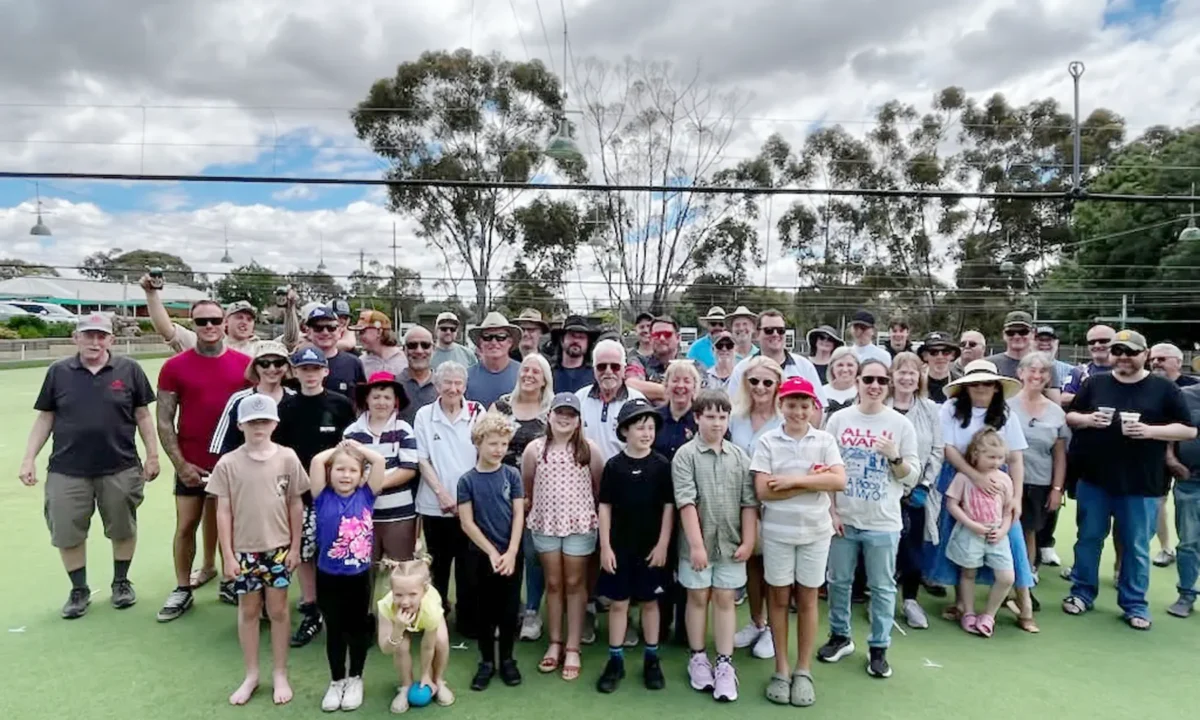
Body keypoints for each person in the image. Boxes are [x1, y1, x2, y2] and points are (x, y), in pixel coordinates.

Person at [20, 313, 159, 618]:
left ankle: (121, 582)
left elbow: (143, 415)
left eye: (101, 336)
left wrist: (152, 454)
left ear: (111, 339)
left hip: (120, 465)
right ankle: (78, 589)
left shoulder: (130, 370)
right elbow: (46, 417)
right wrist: (29, 457)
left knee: (123, 527)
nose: (95, 341)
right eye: (88, 335)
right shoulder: (58, 372)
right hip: (67, 468)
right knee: (67, 531)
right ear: (76, 338)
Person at [1063, 330, 1195, 630]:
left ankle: (1134, 604)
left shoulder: (1163, 388)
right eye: (1118, 350)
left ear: (1145, 354)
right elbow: (1071, 415)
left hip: (1141, 484)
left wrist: (1150, 431)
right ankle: (1082, 593)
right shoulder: (1095, 383)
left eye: (1130, 351)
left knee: (1135, 546)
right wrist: (1087, 420)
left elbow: (1188, 430)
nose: (1123, 356)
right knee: (1088, 540)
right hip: (1094, 480)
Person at [155, 299, 252, 622]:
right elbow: (165, 420)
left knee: (233, 527)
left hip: (234, 466)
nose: (209, 327)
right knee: (186, 526)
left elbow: (255, 417)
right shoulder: (175, 367)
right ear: (192, 325)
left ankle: (230, 579)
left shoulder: (245, 365)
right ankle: (183, 588)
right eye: (201, 322)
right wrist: (181, 465)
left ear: (225, 322)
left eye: (214, 320)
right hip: (192, 463)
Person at [207, 394, 307, 706]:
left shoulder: (288, 458)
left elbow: (295, 502)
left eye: (264, 421)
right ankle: (251, 674)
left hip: (278, 549)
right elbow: (222, 511)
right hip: (244, 551)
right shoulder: (228, 463)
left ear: (275, 423)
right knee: (248, 611)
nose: (258, 427)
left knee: (278, 611)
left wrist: (295, 546)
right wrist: (227, 554)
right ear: (240, 425)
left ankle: (280, 672)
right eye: (252, 422)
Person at [751, 377, 845, 707]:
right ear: (781, 405)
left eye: (804, 405)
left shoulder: (824, 440)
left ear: (814, 407)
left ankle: (803, 670)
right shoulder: (767, 442)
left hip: (816, 533)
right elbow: (763, 491)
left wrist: (793, 480)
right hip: (777, 533)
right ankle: (781, 668)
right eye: (791, 404)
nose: (798, 411)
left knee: (807, 599)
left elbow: (839, 480)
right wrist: (815, 482)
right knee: (777, 599)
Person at [820, 360, 918, 676]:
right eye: (868, 379)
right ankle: (840, 636)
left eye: (880, 380)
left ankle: (879, 648)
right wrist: (831, 511)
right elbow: (825, 467)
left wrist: (894, 456)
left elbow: (911, 477)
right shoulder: (838, 419)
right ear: (858, 381)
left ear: (887, 384)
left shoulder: (900, 425)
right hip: (844, 517)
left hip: (883, 521)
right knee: (838, 581)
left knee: (882, 586)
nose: (874, 385)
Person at [928, 360, 1038, 633]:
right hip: (959, 477)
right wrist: (973, 476)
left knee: (1011, 541)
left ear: (996, 387)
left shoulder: (1006, 414)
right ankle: (962, 605)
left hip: (998, 484)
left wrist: (1016, 498)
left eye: (987, 383)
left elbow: (1015, 458)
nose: (980, 388)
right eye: (974, 383)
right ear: (965, 386)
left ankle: (1024, 605)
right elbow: (947, 448)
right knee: (957, 538)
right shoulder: (951, 409)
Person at [674, 390, 757, 703]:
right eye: (710, 416)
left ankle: (724, 663)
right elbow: (686, 501)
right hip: (698, 545)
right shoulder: (686, 455)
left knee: (725, 598)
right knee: (697, 597)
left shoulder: (739, 456)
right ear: (697, 418)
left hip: (731, 544)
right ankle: (698, 657)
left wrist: (749, 540)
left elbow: (749, 502)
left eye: (722, 417)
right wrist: (696, 545)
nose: (717, 423)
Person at [273, 345, 357, 646]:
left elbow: (350, 450)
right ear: (295, 372)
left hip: (337, 494)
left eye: (315, 369)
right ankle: (311, 610)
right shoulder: (286, 409)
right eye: (303, 369)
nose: (309, 375)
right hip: (300, 495)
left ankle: (343, 612)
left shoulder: (341, 404)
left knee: (338, 551)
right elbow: (279, 454)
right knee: (305, 554)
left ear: (325, 371)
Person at [523, 393, 603, 681]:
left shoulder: (589, 449)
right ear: (549, 415)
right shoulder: (534, 449)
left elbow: (598, 488)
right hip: (545, 525)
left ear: (579, 420)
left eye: (571, 413)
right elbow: (528, 486)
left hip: (580, 526)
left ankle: (573, 646)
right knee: (553, 582)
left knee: (574, 582)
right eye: (560, 412)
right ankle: (555, 643)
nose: (564, 418)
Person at [595, 399, 673, 693]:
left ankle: (651, 658)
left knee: (650, 603)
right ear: (625, 431)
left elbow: (669, 506)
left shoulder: (661, 465)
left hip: (651, 549)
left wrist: (664, 543)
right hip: (619, 547)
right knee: (619, 604)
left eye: (651, 427)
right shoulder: (614, 466)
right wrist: (605, 547)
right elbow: (605, 507)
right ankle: (615, 660)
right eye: (640, 427)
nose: (646, 433)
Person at [308, 440, 387, 712]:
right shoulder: (322, 495)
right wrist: (339, 449)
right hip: (328, 575)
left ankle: (356, 678)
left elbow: (378, 461)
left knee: (357, 629)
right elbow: (318, 461)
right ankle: (336, 680)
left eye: (352, 470)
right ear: (330, 473)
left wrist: (354, 447)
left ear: (361, 475)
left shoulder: (366, 494)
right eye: (339, 469)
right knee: (335, 630)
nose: (345, 475)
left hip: (358, 577)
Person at [412, 361, 486, 635]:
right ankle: (435, 616)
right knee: (438, 567)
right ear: (437, 386)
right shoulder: (423, 415)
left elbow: (484, 456)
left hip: (469, 508)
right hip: (434, 506)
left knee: (469, 568)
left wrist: (466, 499)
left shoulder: (477, 411)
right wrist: (442, 494)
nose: (453, 388)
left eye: (458, 383)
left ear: (465, 386)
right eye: (448, 383)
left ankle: (468, 620)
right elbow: (422, 459)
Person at [458, 412, 526, 691]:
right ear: (478, 443)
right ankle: (486, 662)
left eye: (503, 444)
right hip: (480, 556)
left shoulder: (512, 474)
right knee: (484, 612)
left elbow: (519, 514)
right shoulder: (467, 480)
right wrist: (491, 552)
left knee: (509, 611)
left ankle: (507, 660)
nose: (498, 449)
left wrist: (510, 552)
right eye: (492, 444)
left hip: (511, 555)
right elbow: (467, 522)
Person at [492, 353, 553, 642]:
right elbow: (481, 440)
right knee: (504, 550)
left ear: (545, 379)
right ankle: (506, 608)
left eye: (536, 371)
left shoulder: (552, 409)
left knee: (531, 554)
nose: (529, 374)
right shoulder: (501, 405)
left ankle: (531, 611)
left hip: (538, 494)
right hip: (501, 493)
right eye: (525, 369)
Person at [728, 356, 784, 659]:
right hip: (743, 502)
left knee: (774, 569)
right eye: (754, 382)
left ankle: (774, 632)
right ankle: (756, 622)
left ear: (777, 385)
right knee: (751, 564)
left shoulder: (785, 418)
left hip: (776, 502)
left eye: (767, 382)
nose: (760, 387)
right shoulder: (735, 417)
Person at [888, 352, 944, 629]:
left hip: (918, 492)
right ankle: (881, 599)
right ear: (892, 375)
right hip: (884, 491)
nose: (907, 377)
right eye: (901, 372)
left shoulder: (930, 409)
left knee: (912, 549)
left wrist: (924, 484)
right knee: (884, 548)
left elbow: (937, 450)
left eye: (912, 373)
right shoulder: (880, 406)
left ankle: (910, 600)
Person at [943, 429, 1016, 638]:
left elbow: (1007, 511)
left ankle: (989, 615)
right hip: (970, 533)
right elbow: (952, 504)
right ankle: (968, 612)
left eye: (1000, 457)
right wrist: (970, 523)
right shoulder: (964, 477)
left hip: (996, 535)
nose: (996, 462)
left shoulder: (1004, 480)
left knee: (1006, 577)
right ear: (976, 454)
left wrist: (1003, 530)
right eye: (991, 457)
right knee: (968, 573)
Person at [342, 372, 420, 562]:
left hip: (399, 514)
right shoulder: (352, 432)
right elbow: (346, 469)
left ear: (396, 402)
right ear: (366, 399)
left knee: (400, 568)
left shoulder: (403, 429)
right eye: (376, 397)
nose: (381, 402)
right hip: (362, 513)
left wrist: (376, 485)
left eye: (387, 397)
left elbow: (409, 468)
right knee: (364, 569)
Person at [1008, 353, 1068, 580]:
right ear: (1020, 373)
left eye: (1043, 371)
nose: (1037, 375)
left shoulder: (1056, 411)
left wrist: (1056, 489)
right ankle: (1004, 580)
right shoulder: (1005, 406)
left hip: (1039, 482)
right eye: (1031, 369)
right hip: (1008, 481)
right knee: (1005, 531)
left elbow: (1060, 455)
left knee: (1029, 532)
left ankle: (1026, 579)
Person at [140, 272, 300, 355]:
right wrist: (151, 294)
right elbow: (167, 330)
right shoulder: (204, 344)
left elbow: (291, 340)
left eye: (249, 318)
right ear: (225, 322)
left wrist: (290, 308)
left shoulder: (263, 347)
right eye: (238, 317)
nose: (244, 321)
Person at [377, 558, 455, 712]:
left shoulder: (431, 609)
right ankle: (406, 686)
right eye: (398, 595)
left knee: (441, 640)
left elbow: (427, 647)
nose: (405, 602)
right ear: (391, 591)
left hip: (426, 618)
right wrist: (398, 629)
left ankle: (437, 680)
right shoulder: (386, 607)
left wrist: (425, 674)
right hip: (398, 624)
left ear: (425, 591)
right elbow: (386, 649)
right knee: (401, 646)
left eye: (413, 594)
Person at [728, 310, 826, 414]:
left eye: (780, 330)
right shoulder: (742, 368)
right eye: (769, 330)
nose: (775, 334)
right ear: (757, 334)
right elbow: (731, 406)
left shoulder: (804, 366)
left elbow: (818, 407)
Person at [1151, 342, 1195, 566]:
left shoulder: (1192, 387)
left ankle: (1188, 546)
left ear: (1178, 362)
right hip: (1156, 453)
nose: (1156, 363)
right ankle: (1166, 548)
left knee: (1188, 505)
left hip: (1189, 459)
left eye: (1162, 359)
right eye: (1153, 359)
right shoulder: (1148, 385)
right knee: (1158, 502)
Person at [211, 341, 295, 458]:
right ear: (255, 366)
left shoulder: (297, 398)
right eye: (264, 363)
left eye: (278, 363)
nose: (272, 369)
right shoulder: (239, 400)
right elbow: (222, 445)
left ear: (287, 366)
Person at [577, 339, 647, 462]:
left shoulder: (637, 401)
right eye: (601, 367)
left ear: (624, 369)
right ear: (594, 369)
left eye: (615, 366)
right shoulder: (579, 398)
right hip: (585, 476)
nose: (608, 371)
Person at [1168, 383, 1200, 618]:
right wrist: (1171, 459)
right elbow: (1169, 430)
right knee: (1188, 542)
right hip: (1191, 481)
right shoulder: (1185, 395)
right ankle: (1186, 594)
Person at [986, 311, 1061, 402]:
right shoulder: (989, 364)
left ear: (1032, 334)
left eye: (1023, 332)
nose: (1017, 336)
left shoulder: (1045, 365)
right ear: (1004, 335)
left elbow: (1055, 404)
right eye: (1011, 332)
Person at [628, 316, 700, 403]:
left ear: (678, 338)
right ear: (650, 339)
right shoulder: (639, 362)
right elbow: (631, 384)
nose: (662, 338)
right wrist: (679, 392)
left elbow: (703, 393)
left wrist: (651, 392)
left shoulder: (692, 365)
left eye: (667, 334)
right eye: (656, 335)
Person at [303, 306, 366, 398]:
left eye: (331, 328)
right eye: (318, 328)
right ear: (308, 332)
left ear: (339, 332)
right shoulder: (298, 363)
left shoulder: (354, 363)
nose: (325, 332)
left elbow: (362, 402)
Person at [466, 312, 523, 408]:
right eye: (487, 337)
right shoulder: (466, 377)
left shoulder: (523, 374)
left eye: (501, 337)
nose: (493, 342)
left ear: (510, 342)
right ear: (480, 343)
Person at [655, 360, 703, 460]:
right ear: (666, 385)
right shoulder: (654, 418)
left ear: (694, 387)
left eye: (687, 381)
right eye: (675, 380)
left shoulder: (703, 419)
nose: (680, 385)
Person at [1061, 324, 1116, 408]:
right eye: (1091, 342)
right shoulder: (1080, 372)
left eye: (1103, 341)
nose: (1097, 345)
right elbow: (1063, 398)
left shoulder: (1127, 371)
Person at [549, 315, 601, 394]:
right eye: (571, 335)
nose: (576, 341)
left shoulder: (596, 375)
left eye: (581, 337)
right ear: (562, 340)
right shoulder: (548, 373)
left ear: (588, 343)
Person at [398, 325, 438, 426]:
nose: (419, 351)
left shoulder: (445, 387)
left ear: (433, 349)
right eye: (412, 345)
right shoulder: (393, 386)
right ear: (404, 349)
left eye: (425, 345)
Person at [353, 310, 407, 377]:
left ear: (379, 332)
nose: (359, 336)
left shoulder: (404, 359)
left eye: (362, 332)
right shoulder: (361, 362)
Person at [918, 332, 959, 404]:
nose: (940, 357)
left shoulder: (960, 384)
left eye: (946, 352)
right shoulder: (916, 383)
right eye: (934, 352)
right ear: (925, 356)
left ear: (952, 355)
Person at [822, 347, 860, 415]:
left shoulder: (863, 392)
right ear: (832, 367)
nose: (845, 369)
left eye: (850, 365)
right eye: (840, 365)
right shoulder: (820, 392)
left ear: (858, 367)